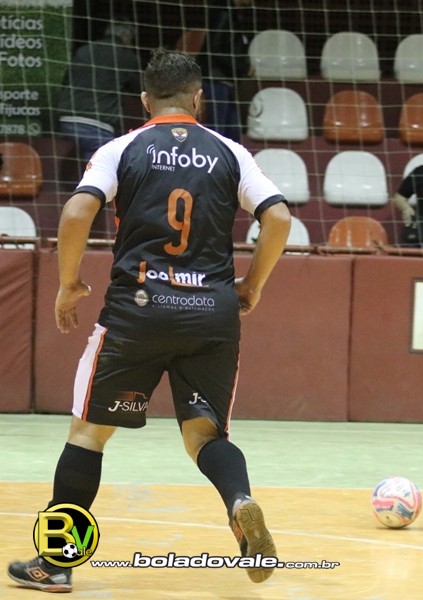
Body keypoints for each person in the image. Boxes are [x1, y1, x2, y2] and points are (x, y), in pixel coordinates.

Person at [7, 49, 291, 592]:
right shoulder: (231, 152)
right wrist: (252, 284)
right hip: (211, 314)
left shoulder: (121, 148)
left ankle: (56, 564)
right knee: (204, 435)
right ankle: (240, 501)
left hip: (138, 311)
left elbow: (77, 211)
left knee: (88, 434)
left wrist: (68, 283)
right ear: (198, 98)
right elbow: (277, 216)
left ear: (144, 100)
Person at [57, 21, 141, 164]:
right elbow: (138, 89)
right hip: (97, 124)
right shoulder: (126, 56)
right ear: (126, 37)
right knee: (105, 163)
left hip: (67, 120)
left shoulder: (84, 50)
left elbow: (66, 80)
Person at [196, 0, 254, 141]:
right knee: (219, 131)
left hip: (225, 79)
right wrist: (243, 67)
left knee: (232, 132)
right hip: (216, 79)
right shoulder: (224, 13)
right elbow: (214, 50)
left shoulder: (232, 13)